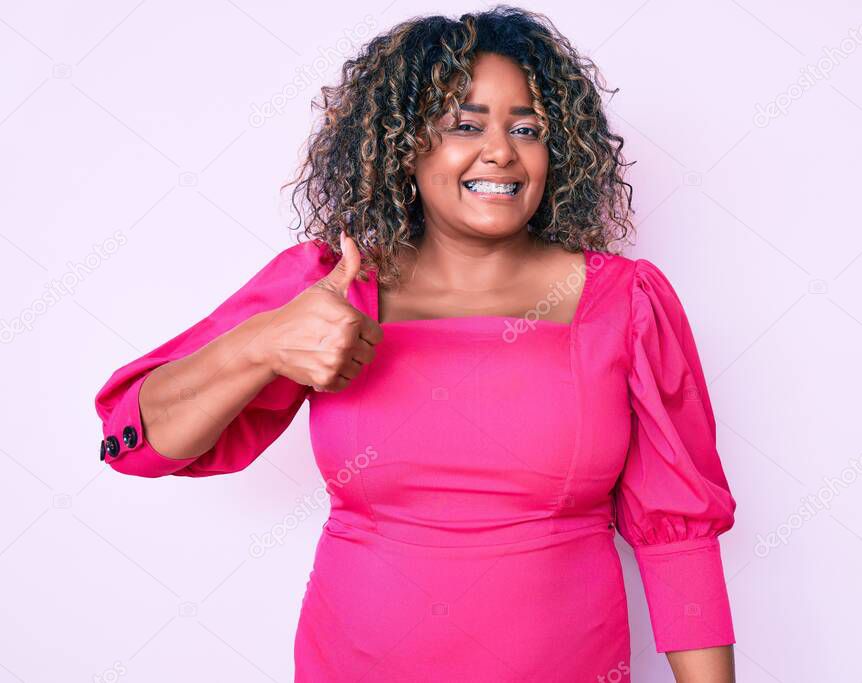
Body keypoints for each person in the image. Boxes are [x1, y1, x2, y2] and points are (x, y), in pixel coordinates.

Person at [94, 6, 738, 681]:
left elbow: (679, 536)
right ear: (404, 144)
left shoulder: (626, 303)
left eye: (527, 128)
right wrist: (260, 345)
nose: (501, 151)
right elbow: (135, 442)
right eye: (465, 124)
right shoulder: (332, 289)